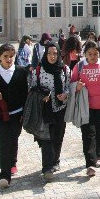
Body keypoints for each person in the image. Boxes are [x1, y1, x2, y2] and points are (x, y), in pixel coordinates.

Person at [71, 41, 100, 177]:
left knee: (99, 132)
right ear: (84, 54)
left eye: (95, 54)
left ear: (99, 54)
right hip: (85, 106)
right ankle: (90, 164)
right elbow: (71, 83)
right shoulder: (79, 67)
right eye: (90, 54)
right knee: (88, 134)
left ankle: (97, 155)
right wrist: (77, 86)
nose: (92, 57)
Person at [0, 43, 30, 188]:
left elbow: (25, 94)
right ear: (0, 57)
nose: (9, 59)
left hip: (17, 114)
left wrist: (24, 113)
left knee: (13, 138)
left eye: (11, 56)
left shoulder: (21, 71)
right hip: (0, 115)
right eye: (6, 56)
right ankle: (4, 175)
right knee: (3, 142)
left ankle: (13, 162)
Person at [29, 43, 70, 181]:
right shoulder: (39, 70)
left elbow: (69, 86)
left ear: (58, 54)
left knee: (57, 137)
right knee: (46, 138)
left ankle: (55, 160)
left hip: (60, 109)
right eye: (49, 53)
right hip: (44, 109)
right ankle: (47, 168)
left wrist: (65, 95)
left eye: (55, 53)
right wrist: (42, 95)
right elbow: (32, 88)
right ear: (45, 54)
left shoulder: (65, 69)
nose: (52, 56)